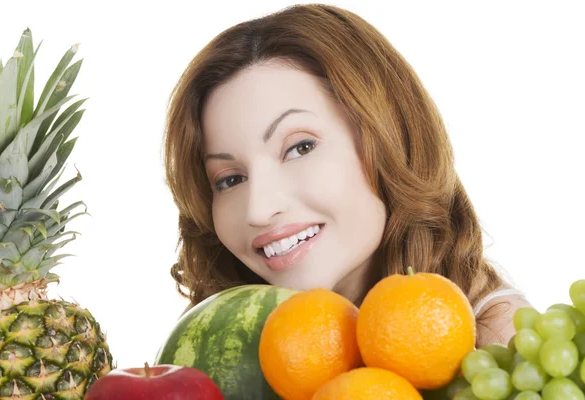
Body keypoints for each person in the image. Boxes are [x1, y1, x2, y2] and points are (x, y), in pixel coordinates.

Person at [162, 3, 532, 347]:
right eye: (229, 179)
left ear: (391, 138)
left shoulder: (501, 349)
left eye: (300, 148)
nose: (257, 210)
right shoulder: (219, 347)